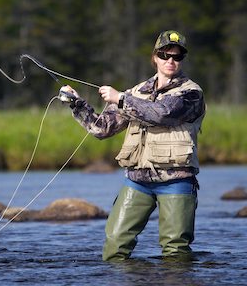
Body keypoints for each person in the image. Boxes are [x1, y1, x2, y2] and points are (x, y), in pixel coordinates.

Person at [60, 30, 206, 261]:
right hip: (137, 182)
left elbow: (161, 113)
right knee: (115, 244)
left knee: (175, 250)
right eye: (164, 55)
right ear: (155, 57)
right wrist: (77, 104)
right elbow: (102, 128)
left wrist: (120, 98)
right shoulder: (136, 92)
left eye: (177, 57)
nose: (170, 61)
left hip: (176, 181)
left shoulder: (191, 93)